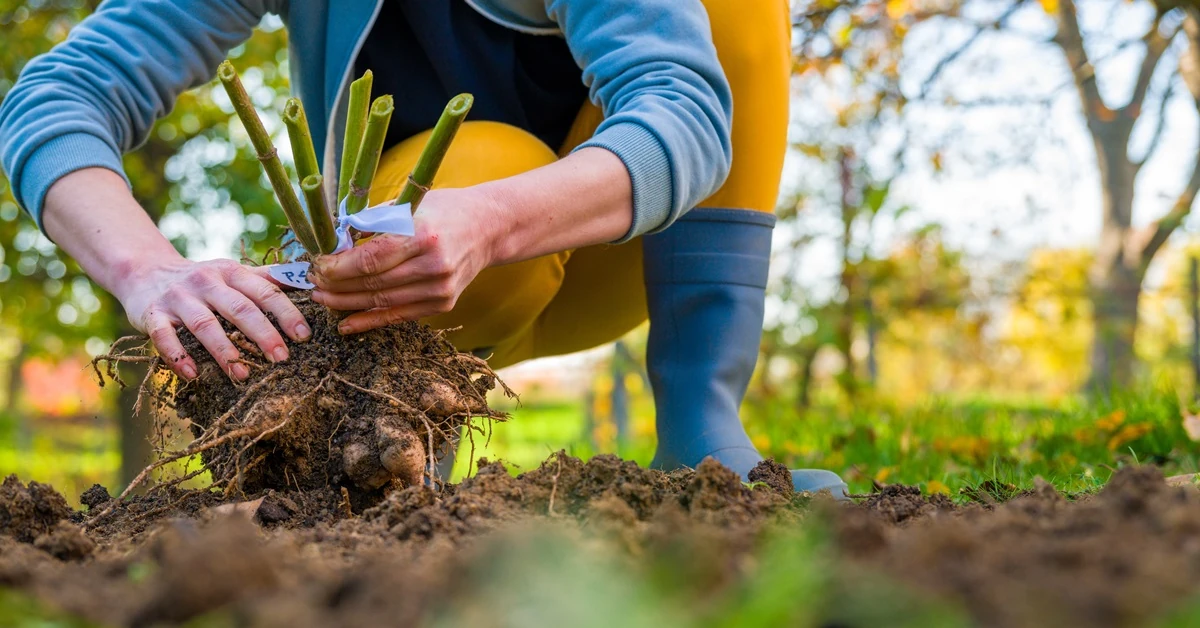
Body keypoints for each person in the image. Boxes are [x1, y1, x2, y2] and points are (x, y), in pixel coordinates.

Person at [0, 0, 847, 496]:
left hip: (634, 245)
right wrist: (146, 269)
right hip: (404, 287)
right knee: (473, 158)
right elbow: (57, 97)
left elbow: (687, 113)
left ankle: (704, 435)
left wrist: (495, 221)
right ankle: (391, 440)